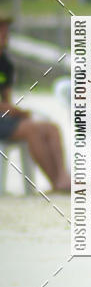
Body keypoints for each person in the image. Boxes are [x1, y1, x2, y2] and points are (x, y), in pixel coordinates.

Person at [0, 15, 70, 192]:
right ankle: (56, 182)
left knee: (51, 128)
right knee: (31, 129)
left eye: (6, 31)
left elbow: (6, 100)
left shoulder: (6, 64)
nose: (5, 35)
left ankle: (62, 178)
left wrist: (15, 111)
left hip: (4, 118)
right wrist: (12, 110)